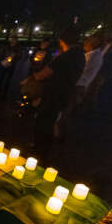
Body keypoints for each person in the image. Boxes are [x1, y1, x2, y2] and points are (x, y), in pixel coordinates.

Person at [33, 27, 85, 160]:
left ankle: (39, 151)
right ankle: (44, 150)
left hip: (52, 94)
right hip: (65, 93)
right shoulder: (81, 56)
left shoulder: (65, 57)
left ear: (63, 41)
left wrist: (36, 69)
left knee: (44, 120)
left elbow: (41, 76)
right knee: (51, 120)